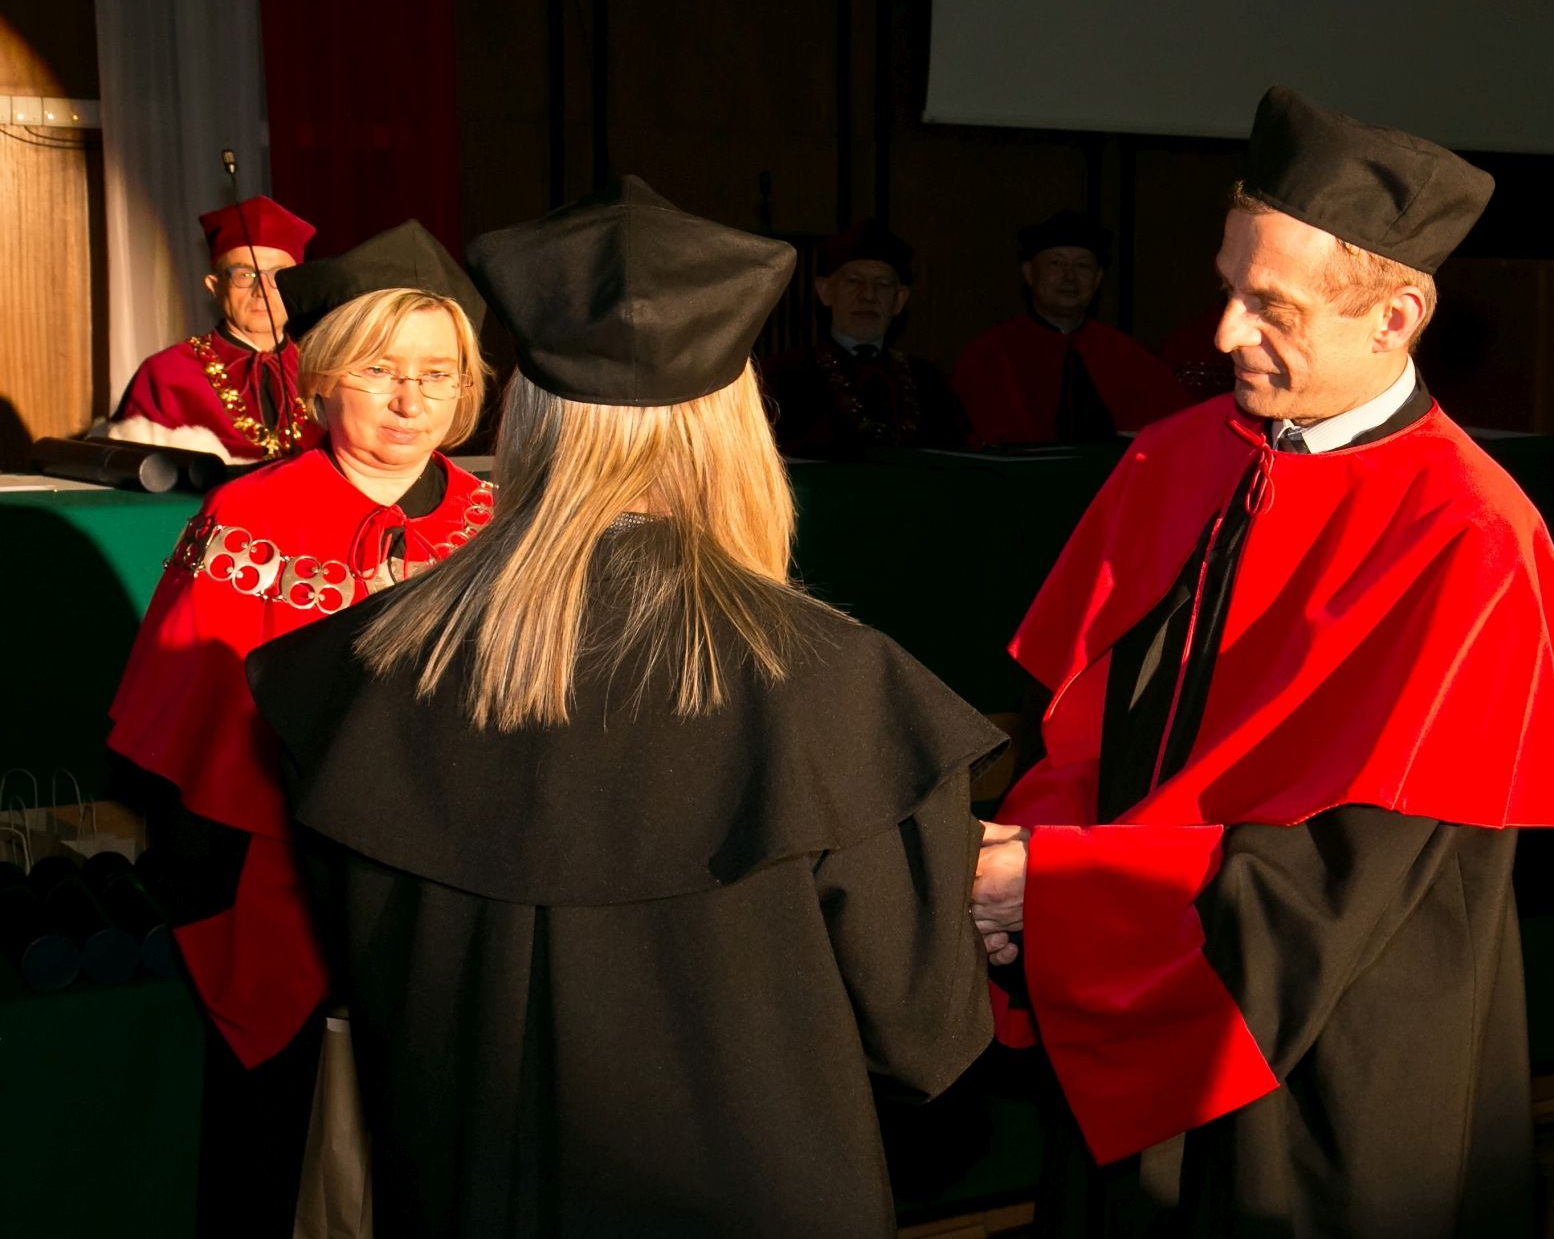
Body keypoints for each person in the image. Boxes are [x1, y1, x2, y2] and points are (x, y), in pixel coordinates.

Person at [245, 176, 1004, 1238]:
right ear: (733, 424)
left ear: (527, 415)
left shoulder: (361, 674)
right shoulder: (835, 687)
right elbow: (923, 1043)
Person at [969, 88, 1554, 1237]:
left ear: (1395, 316)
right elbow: (1081, 728)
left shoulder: (1470, 535)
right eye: (1227, 287)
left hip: (1328, 1050)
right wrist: (1030, 862)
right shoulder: (1174, 458)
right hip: (1119, 991)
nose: (1226, 333)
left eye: (1270, 306)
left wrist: (1055, 887)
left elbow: (1343, 875)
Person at [107, 222, 492, 1237]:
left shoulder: (498, 528)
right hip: (283, 899)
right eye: (380, 370)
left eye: (438, 375)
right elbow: (188, 751)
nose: (412, 400)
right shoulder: (247, 520)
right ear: (322, 375)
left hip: (460, 908)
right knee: (270, 1176)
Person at [109, 195, 324, 462]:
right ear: (214, 286)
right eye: (244, 275)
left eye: (278, 276)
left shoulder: (324, 374)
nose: (262, 291)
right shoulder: (167, 373)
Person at [950, 209, 1189, 444]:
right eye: (1056, 263)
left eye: (1082, 266)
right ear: (1029, 273)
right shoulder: (989, 354)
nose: (1070, 277)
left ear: (1097, 278)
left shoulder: (1129, 356)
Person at [761, 219, 971, 456]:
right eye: (854, 281)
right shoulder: (781, 378)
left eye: (882, 284)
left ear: (899, 300)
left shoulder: (930, 384)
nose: (868, 295)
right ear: (825, 291)